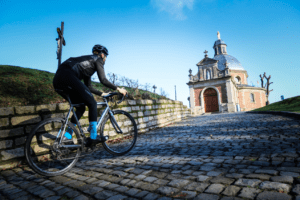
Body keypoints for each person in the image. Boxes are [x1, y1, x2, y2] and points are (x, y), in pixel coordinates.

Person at [53, 44, 127, 147]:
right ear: (102, 55)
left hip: (58, 79)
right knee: (92, 103)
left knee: (80, 107)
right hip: (68, 76)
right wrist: (119, 89)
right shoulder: (98, 60)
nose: (105, 60)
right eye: (106, 57)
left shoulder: (87, 65)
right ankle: (93, 136)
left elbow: (89, 87)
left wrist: (102, 93)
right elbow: (103, 80)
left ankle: (67, 137)